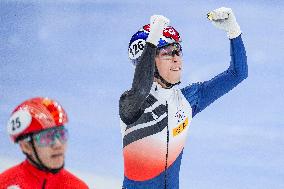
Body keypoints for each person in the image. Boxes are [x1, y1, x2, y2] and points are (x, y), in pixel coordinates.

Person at [119, 7, 248, 189]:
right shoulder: (131, 103)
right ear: (146, 62)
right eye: (166, 53)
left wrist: (234, 31)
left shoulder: (188, 99)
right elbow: (140, 89)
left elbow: (238, 73)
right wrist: (151, 43)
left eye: (178, 51)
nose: (176, 58)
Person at [0, 97, 89, 189]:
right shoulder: (4, 183)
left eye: (61, 134)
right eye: (46, 138)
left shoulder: (77, 187)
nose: (58, 144)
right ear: (26, 146)